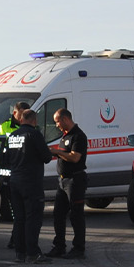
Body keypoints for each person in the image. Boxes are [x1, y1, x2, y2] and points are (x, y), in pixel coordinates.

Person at [4, 109, 54, 264]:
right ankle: (32, 253)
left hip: (15, 181)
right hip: (31, 182)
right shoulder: (34, 135)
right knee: (33, 219)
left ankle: (20, 253)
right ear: (34, 120)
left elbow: (6, 159)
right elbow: (47, 157)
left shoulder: (12, 136)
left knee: (19, 219)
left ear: (21, 119)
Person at [47, 108, 88, 259]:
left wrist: (56, 152)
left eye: (57, 121)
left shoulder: (78, 136)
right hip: (62, 181)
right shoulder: (65, 136)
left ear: (65, 119)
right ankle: (59, 246)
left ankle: (78, 248)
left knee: (76, 215)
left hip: (75, 180)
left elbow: (75, 157)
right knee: (58, 214)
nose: (56, 125)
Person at [0, 101, 31, 248]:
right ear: (14, 113)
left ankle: (16, 239)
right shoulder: (3, 127)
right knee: (16, 211)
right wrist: (11, 153)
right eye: (21, 113)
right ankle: (16, 240)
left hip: (22, 173)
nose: (23, 116)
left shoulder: (30, 127)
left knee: (20, 211)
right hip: (7, 174)